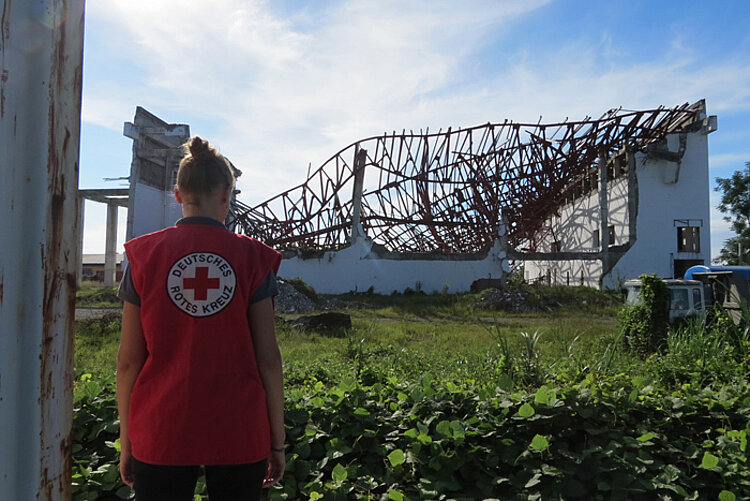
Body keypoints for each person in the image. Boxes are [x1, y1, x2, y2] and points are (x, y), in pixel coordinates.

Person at [116, 136, 286, 501]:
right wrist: (277, 441)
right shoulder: (253, 258)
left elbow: (129, 361)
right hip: (239, 428)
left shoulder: (143, 257)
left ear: (178, 194)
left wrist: (128, 440)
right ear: (227, 194)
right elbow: (269, 359)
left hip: (161, 426)